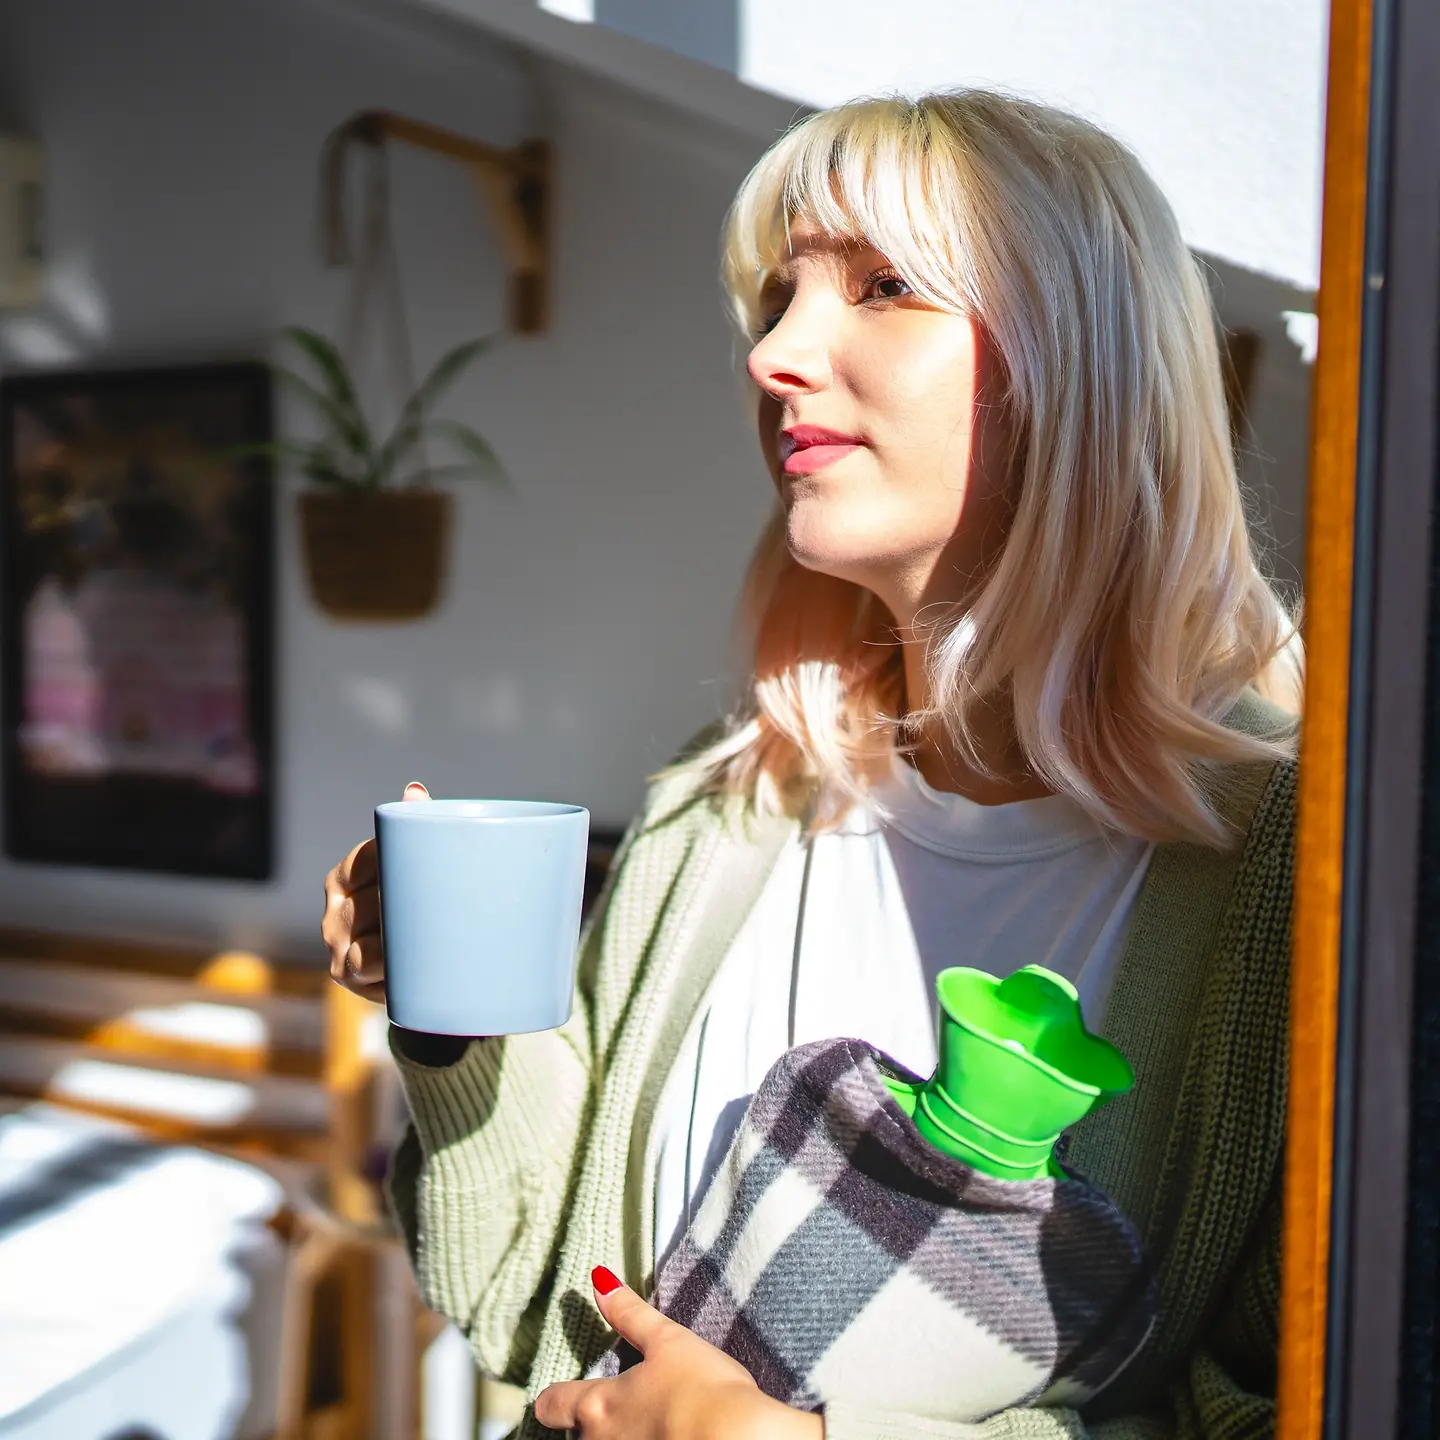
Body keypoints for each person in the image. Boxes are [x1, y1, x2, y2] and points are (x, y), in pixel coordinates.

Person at [323, 89, 1303, 1440]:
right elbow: (527, 1295)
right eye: (782, 293)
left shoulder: (1297, 881)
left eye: (885, 286)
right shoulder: (725, 805)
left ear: (1085, 361)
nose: (777, 352)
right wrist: (454, 1029)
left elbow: (1285, 1409)